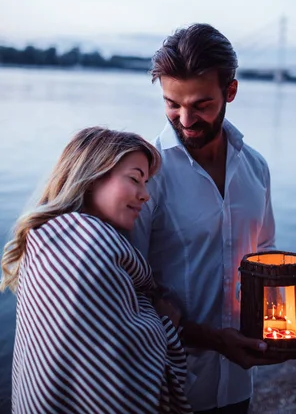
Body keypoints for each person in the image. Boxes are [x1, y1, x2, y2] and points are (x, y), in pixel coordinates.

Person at [131, 23, 277, 414]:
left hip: (239, 380)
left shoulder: (256, 167)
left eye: (201, 104)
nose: (184, 118)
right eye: (172, 104)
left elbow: (265, 254)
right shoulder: (146, 174)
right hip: (167, 383)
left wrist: (277, 325)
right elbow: (129, 286)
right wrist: (213, 340)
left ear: (230, 91)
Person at [0, 127, 192, 414]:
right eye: (135, 179)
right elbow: (126, 377)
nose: (145, 195)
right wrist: (165, 322)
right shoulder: (91, 250)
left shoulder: (46, 238)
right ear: (91, 178)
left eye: (147, 183)